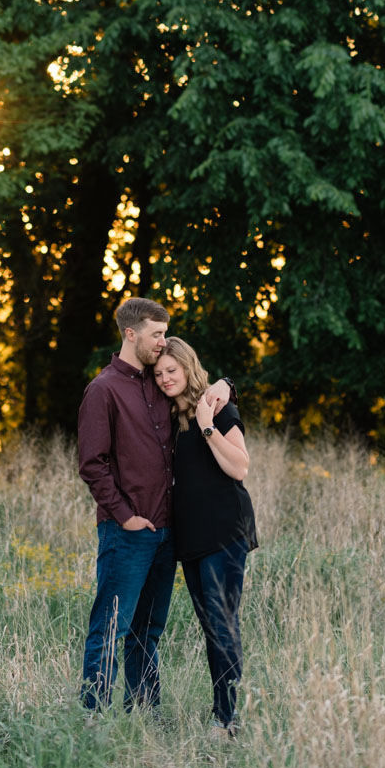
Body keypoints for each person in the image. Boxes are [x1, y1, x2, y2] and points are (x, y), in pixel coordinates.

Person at [77, 297, 233, 712]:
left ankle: (144, 715)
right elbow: (92, 465)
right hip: (126, 531)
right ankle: (92, 718)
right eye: (157, 334)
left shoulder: (159, 381)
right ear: (131, 334)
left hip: (167, 533)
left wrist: (226, 385)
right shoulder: (103, 389)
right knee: (111, 627)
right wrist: (125, 518)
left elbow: (203, 385)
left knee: (148, 631)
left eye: (165, 334)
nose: (163, 343)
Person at [154, 336, 257, 736]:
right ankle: (223, 711)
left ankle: (228, 719)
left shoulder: (216, 409)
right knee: (209, 625)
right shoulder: (166, 416)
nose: (165, 378)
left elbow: (240, 468)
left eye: (172, 371)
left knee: (222, 622)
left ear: (188, 367)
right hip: (190, 535)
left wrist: (207, 427)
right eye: (159, 373)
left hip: (224, 528)